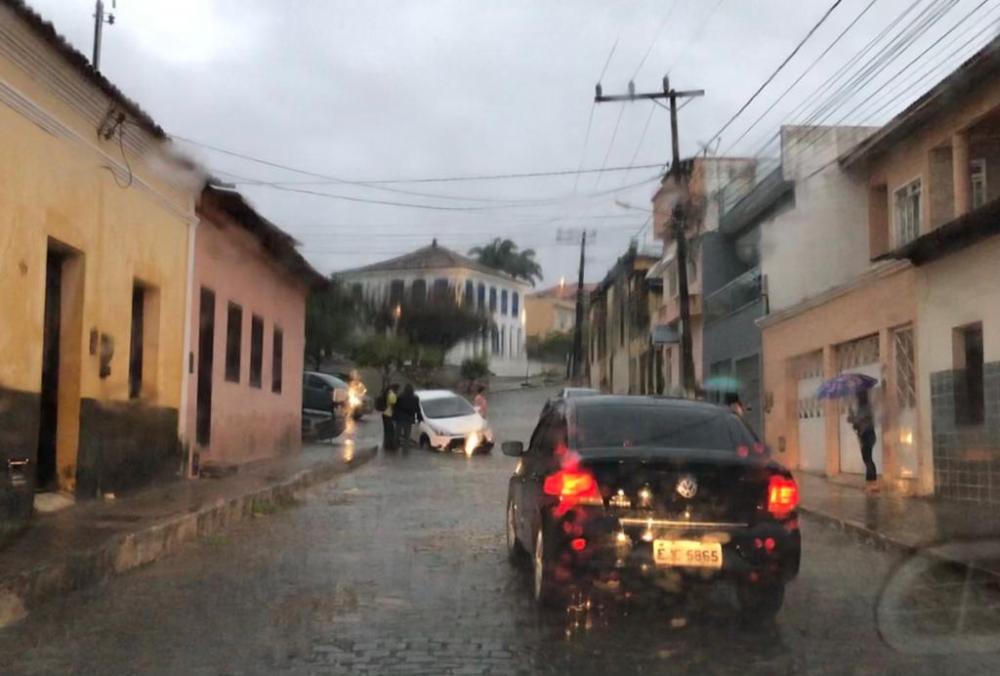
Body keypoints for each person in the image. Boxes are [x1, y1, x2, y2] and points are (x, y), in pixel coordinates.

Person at [848, 388, 878, 493]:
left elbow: (862, 420)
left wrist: (855, 420)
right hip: (864, 435)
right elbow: (855, 422)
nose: (857, 398)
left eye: (858, 396)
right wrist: (851, 415)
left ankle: (873, 484)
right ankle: (870, 484)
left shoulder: (866, 408)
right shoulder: (861, 408)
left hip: (868, 435)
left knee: (868, 459)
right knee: (867, 459)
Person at [394, 384, 421, 449]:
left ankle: (395, 448)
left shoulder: (400, 397)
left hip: (400, 418)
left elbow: (396, 408)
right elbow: (417, 409)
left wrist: (394, 417)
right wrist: (419, 418)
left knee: (397, 434)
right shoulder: (415, 398)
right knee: (407, 435)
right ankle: (405, 449)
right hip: (409, 419)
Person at [381, 384, 399, 451]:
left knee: (387, 431)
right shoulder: (392, 395)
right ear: (395, 389)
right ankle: (390, 446)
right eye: (397, 389)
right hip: (389, 414)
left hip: (385, 413)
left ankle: (386, 445)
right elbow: (393, 405)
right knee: (390, 431)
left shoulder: (389, 393)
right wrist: (394, 414)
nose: (398, 391)